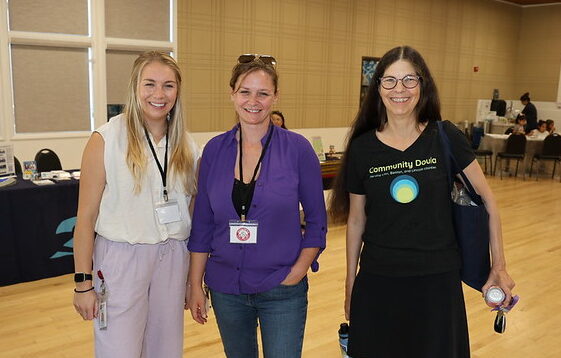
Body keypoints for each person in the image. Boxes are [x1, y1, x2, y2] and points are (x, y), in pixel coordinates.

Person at [329, 46, 515, 358]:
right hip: (379, 280)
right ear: (377, 89)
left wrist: (499, 265)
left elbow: (488, 201)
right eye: (389, 81)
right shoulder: (362, 148)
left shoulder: (445, 137)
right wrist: (351, 284)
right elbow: (357, 220)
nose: (399, 90)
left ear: (422, 84)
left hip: (436, 281)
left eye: (409, 80)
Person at [187, 54, 327, 358]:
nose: (254, 101)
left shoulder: (298, 150)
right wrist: (195, 283)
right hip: (226, 289)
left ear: (275, 96)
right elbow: (202, 224)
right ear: (232, 94)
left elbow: (317, 221)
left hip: (281, 287)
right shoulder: (214, 151)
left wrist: (299, 269)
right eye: (245, 91)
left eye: (263, 93)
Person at [72, 51, 199, 358]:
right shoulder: (105, 139)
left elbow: (193, 212)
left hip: (172, 257)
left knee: (165, 350)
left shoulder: (187, 145)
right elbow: (86, 217)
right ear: (135, 87)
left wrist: (193, 279)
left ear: (178, 91)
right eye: (150, 84)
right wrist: (82, 283)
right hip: (122, 258)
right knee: (119, 350)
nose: (159, 94)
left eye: (168, 85)